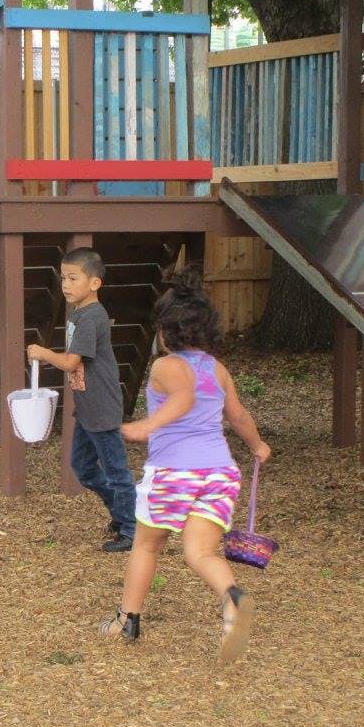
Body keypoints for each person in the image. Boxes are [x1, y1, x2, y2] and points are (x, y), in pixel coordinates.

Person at [99, 268, 272, 665]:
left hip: (175, 474)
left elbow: (183, 398)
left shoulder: (166, 366)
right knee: (201, 552)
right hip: (219, 473)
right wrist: (258, 444)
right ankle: (232, 598)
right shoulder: (217, 368)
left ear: (165, 331)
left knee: (146, 544)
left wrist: (148, 425)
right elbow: (239, 414)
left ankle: (127, 620)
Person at [27, 247, 134, 553]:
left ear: (95, 283)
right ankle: (122, 513)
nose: (66, 284)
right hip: (87, 407)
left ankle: (132, 528)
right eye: (63, 278)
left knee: (117, 472)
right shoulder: (79, 313)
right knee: (84, 467)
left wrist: (44, 353)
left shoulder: (92, 318)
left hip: (101, 406)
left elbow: (72, 362)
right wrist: (49, 357)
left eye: (73, 278)